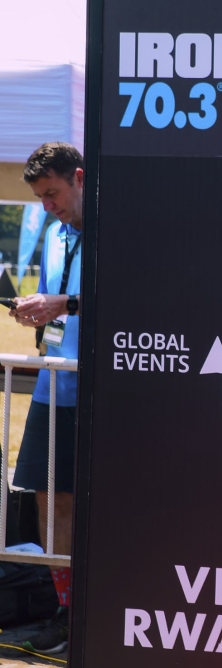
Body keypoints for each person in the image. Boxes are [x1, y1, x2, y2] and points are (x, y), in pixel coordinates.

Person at [5, 143, 85, 654]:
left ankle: (89, 610)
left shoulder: (118, 225)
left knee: (84, 501)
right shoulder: (54, 235)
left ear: (79, 178)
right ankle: (62, 611)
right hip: (51, 382)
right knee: (45, 500)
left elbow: (133, 292)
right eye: (39, 198)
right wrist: (38, 312)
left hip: (101, 387)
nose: (48, 206)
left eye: (52, 193)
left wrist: (64, 302)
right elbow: (60, 308)